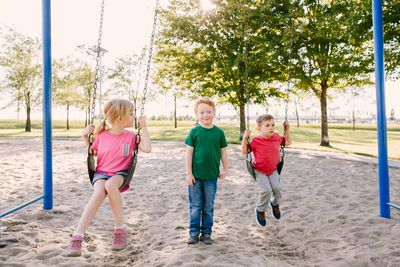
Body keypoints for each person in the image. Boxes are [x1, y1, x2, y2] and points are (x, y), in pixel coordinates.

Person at [66, 99, 151, 257]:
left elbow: (147, 148)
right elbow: (93, 153)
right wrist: (85, 137)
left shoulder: (131, 136)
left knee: (111, 185)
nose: (134, 117)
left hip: (120, 174)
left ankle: (119, 229)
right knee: (98, 193)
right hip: (101, 173)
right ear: (120, 118)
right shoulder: (102, 136)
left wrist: (144, 128)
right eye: (131, 114)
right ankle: (77, 237)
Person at [185, 97, 229, 245]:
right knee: (196, 206)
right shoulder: (194, 132)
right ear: (197, 115)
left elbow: (223, 152)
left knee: (208, 206)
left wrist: (226, 169)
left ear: (214, 113)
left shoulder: (219, 133)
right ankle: (193, 232)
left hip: (211, 176)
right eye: (201, 112)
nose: (205, 115)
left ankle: (206, 233)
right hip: (195, 176)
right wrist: (189, 174)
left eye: (208, 112)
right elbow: (189, 153)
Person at [241, 114, 292, 227]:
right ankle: (260, 210)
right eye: (267, 125)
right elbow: (245, 151)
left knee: (277, 188)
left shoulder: (277, 137)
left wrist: (287, 130)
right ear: (259, 128)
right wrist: (245, 138)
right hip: (259, 170)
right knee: (266, 190)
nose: (271, 128)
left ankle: (275, 204)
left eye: (273, 125)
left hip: (273, 169)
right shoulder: (256, 141)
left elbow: (288, 142)